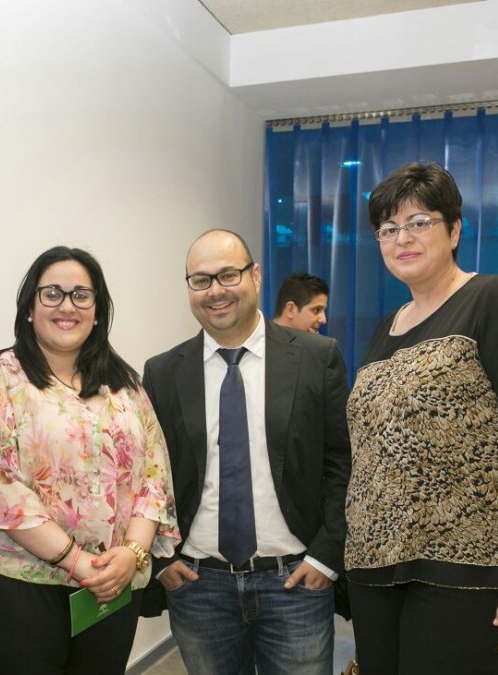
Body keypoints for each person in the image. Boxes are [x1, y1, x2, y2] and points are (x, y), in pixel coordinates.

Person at [346, 162, 498, 674]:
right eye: (388, 228)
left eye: (419, 221)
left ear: (455, 230)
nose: (402, 237)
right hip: (375, 575)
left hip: (467, 573)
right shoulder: (387, 327)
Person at [141, 229, 351, 675]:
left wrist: (326, 556)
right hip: (199, 587)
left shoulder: (317, 357)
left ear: (255, 275)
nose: (215, 290)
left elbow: (342, 463)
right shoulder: (162, 372)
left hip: (295, 582)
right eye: (200, 280)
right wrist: (163, 560)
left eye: (228, 275)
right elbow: (148, 476)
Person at [0, 246, 180, 675]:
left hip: (112, 585)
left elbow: (154, 474)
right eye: (53, 294)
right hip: (17, 586)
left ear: (98, 311)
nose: (68, 306)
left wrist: (133, 554)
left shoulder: (124, 384)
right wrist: (76, 561)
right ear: (30, 307)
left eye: (82, 295)